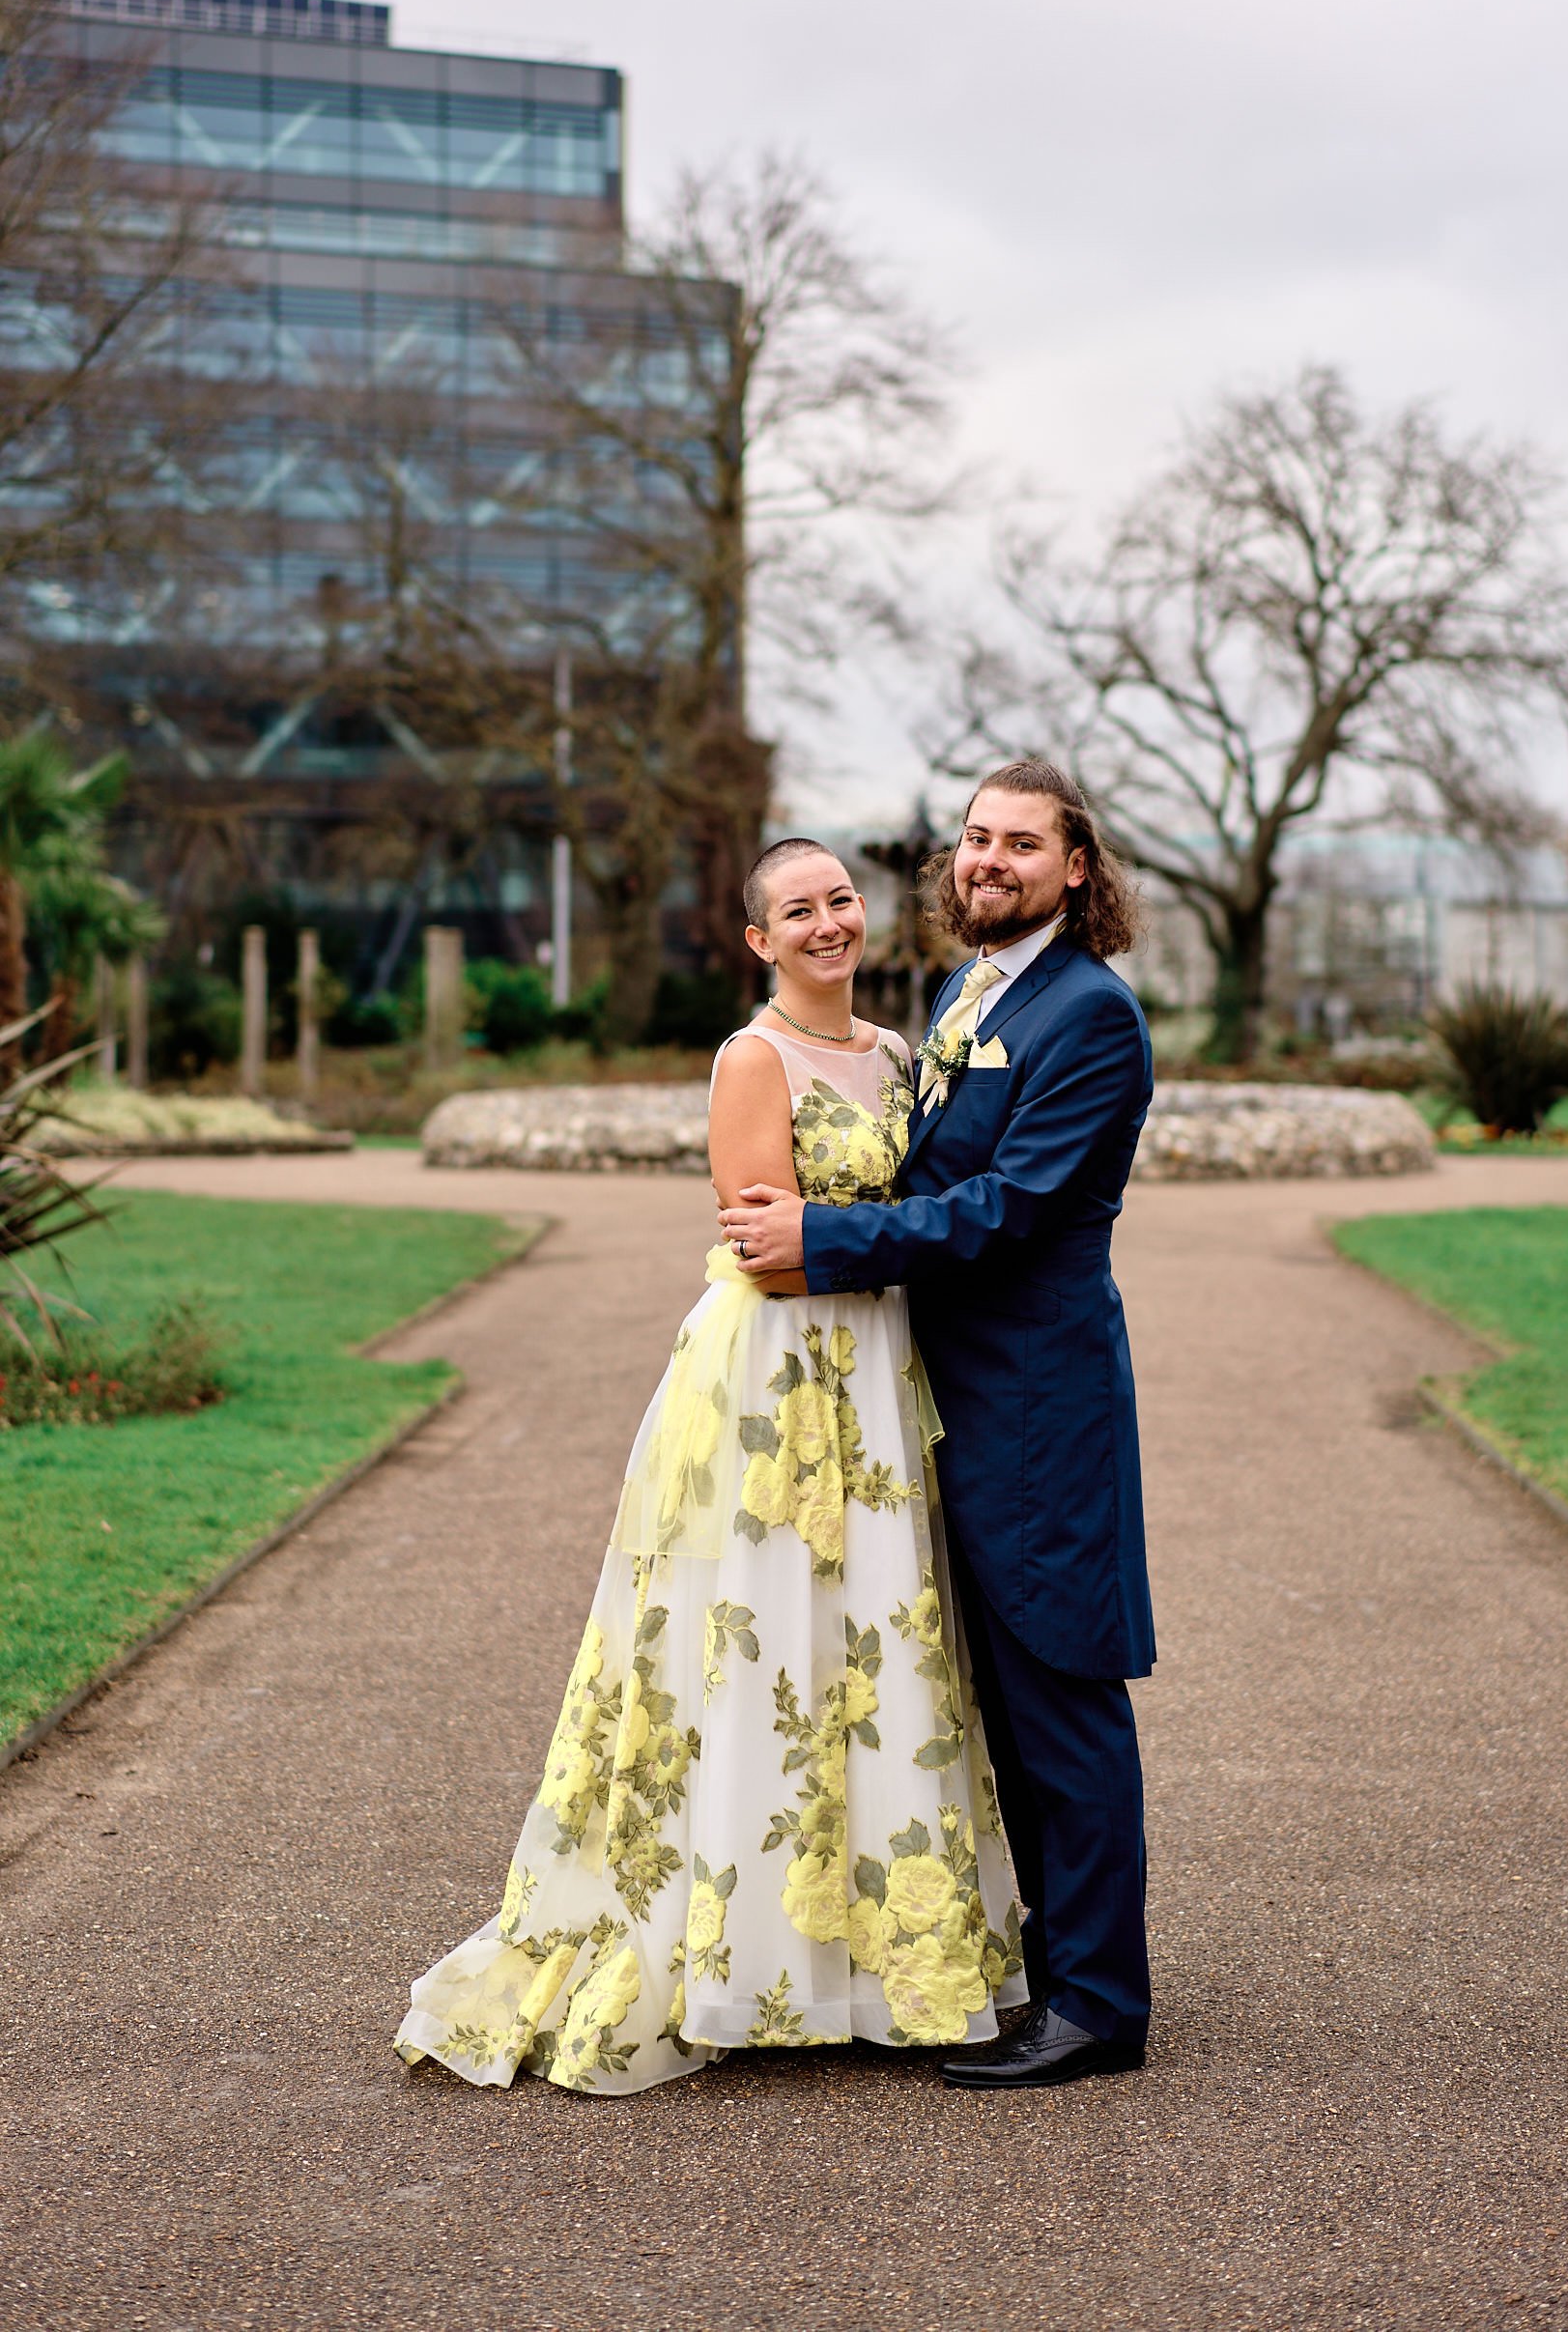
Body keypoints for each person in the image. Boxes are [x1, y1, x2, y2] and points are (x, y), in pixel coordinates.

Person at [396, 839, 1027, 2094]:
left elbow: (865, 1227)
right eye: (799, 911)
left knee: (878, 1645)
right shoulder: (755, 1059)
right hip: (778, 1383)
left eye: (842, 900)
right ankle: (755, 1961)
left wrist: (891, 1241)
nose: (829, 924)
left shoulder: (900, 1055)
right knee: (771, 1645)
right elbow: (771, 1256)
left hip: (882, 1377)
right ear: (760, 941)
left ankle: (881, 1959)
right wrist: (905, 1243)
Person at [721, 759, 1155, 2090]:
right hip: (939, 1401)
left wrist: (822, 1240)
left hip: (1036, 1400)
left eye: (1021, 843)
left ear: (1076, 867)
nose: (988, 861)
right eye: (975, 839)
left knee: (1061, 1695)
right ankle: (1049, 1959)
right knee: (1001, 1708)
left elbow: (1005, 1212)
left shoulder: (1092, 1017)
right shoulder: (973, 993)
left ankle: (1099, 2005)